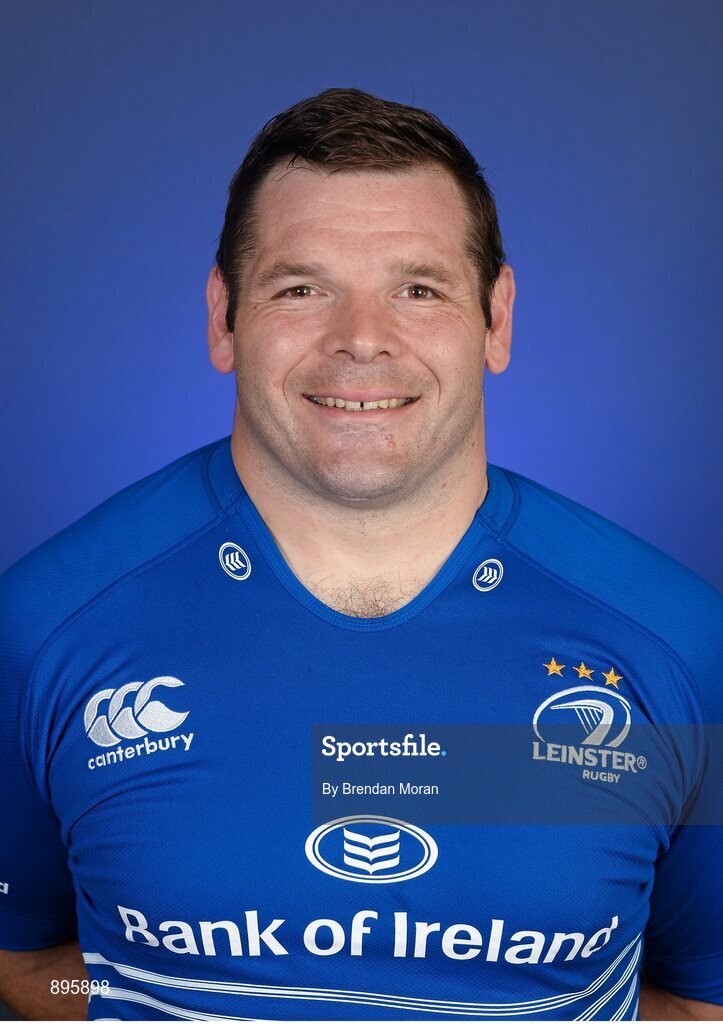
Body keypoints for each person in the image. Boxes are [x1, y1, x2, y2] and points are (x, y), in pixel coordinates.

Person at [0, 88, 720, 1022]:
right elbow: (27, 964)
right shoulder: (41, 626)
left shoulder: (681, 645)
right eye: (301, 288)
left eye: (417, 289)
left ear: (496, 320)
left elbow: (704, 996)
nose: (361, 340)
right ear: (224, 318)